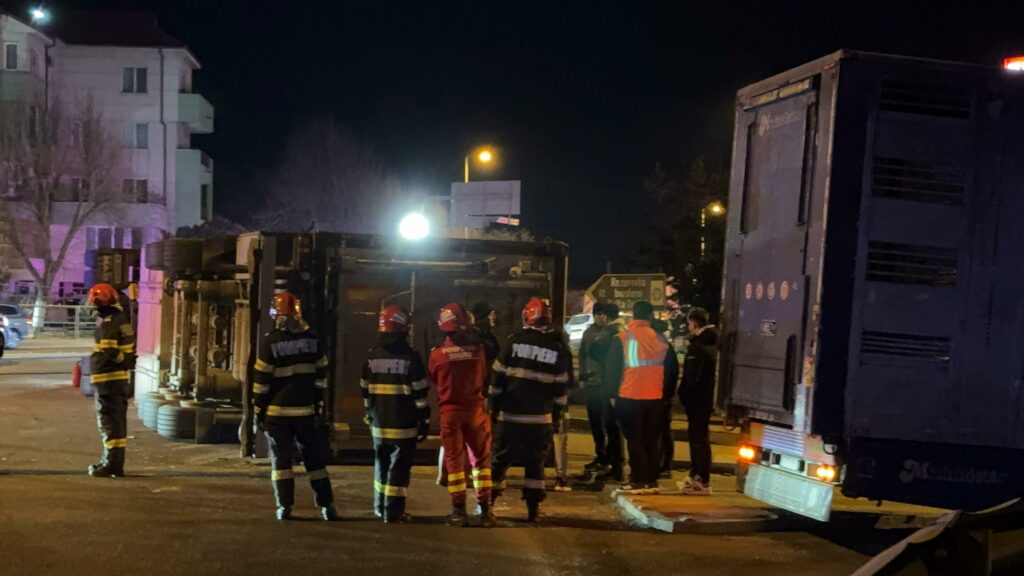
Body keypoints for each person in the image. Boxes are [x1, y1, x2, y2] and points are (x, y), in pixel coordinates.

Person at [253, 292, 337, 521]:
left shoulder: (270, 342)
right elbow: (322, 374)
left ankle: (284, 507)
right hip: (305, 412)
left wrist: (258, 411)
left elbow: (261, 382)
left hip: (276, 414)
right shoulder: (312, 340)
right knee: (315, 460)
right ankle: (327, 506)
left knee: (281, 462)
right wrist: (318, 403)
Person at [490, 298, 571, 523]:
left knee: (499, 461)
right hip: (540, 419)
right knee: (535, 465)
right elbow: (561, 389)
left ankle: (488, 505)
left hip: (510, 416)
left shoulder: (512, 343)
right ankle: (533, 511)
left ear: (526, 317)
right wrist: (556, 415)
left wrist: (493, 408)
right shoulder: (556, 349)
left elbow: (496, 379)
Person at [360, 305, 430, 523]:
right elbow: (420, 392)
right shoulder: (411, 357)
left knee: (381, 465)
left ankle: (380, 507)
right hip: (404, 423)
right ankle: (394, 512)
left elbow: (365, 388)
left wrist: (370, 412)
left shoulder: (372, 355)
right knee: (399, 469)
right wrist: (425, 419)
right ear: (404, 328)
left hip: (379, 423)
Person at [428, 303, 495, 527]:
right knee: (481, 461)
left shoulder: (437, 355)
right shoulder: (478, 352)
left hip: (450, 413)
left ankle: (458, 512)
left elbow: (434, 380)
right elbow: (484, 375)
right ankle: (485, 511)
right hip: (476, 411)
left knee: (454, 462)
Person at [604, 301, 679, 495]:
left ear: (633, 316)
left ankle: (637, 480)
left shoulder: (622, 338)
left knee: (634, 440)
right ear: (650, 317)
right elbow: (672, 371)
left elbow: (612, 369)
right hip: (655, 398)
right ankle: (651, 480)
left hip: (628, 397)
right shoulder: (662, 341)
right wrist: (666, 395)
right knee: (651, 440)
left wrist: (612, 395)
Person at [86, 283, 135, 478]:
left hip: (108, 379)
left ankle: (111, 464)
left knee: (108, 422)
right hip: (117, 379)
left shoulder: (108, 321)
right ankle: (113, 462)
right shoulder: (120, 318)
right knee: (116, 421)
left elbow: (108, 348)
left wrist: (121, 362)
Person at [678, 307, 719, 496]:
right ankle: (697, 475)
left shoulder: (699, 345)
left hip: (697, 400)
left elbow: (691, 377)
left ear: (694, 323)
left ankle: (701, 480)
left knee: (698, 439)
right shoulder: (714, 341)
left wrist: (683, 395)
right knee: (700, 438)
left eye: (689, 323)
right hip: (706, 398)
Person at [592, 303, 627, 483]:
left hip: (610, 385)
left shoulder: (610, 332)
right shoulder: (625, 330)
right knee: (617, 429)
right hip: (625, 384)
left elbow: (594, 351)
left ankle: (617, 468)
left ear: (606, 316)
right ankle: (617, 465)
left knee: (611, 428)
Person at [579, 303, 609, 473]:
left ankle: (608, 457)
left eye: (603, 314)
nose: (600, 317)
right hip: (591, 382)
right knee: (595, 423)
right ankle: (600, 455)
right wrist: (583, 377)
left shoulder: (611, 333)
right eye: (597, 314)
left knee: (607, 423)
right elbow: (582, 355)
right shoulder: (588, 333)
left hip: (605, 383)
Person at [651, 318, 677, 478]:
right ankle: (662, 464)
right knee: (661, 430)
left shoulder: (664, 348)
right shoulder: (664, 347)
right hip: (661, 395)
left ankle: (665, 465)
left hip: (662, 396)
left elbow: (669, 374)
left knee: (663, 431)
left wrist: (664, 394)